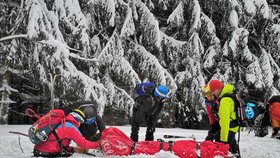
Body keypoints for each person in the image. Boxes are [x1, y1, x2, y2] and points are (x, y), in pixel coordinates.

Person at [33, 109, 99, 157]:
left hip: (38, 150)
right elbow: (83, 143)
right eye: (81, 122)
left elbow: (58, 142)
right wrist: (97, 145)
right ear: (78, 119)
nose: (80, 124)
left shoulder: (61, 123)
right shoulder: (70, 127)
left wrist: (73, 149)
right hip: (48, 153)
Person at [208, 79, 239, 155]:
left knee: (223, 150)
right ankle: (235, 153)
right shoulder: (230, 94)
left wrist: (223, 140)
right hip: (233, 127)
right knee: (232, 148)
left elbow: (224, 121)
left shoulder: (225, 100)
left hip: (229, 128)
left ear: (218, 89)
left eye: (213, 91)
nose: (213, 93)